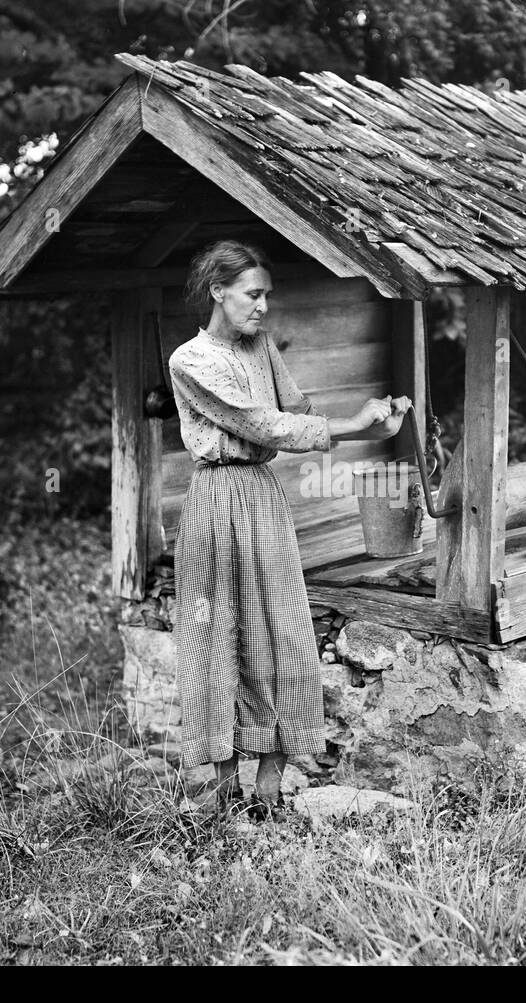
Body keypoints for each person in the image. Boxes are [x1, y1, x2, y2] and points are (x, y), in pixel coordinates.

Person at [168, 240, 409, 820]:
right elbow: (262, 424)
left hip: (261, 498)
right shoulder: (190, 362)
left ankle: (270, 789)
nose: (263, 307)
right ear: (216, 292)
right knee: (216, 633)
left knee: (280, 627)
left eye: (267, 295)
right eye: (253, 295)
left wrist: (372, 426)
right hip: (213, 500)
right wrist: (345, 425)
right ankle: (225, 790)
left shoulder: (262, 347)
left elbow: (297, 411)